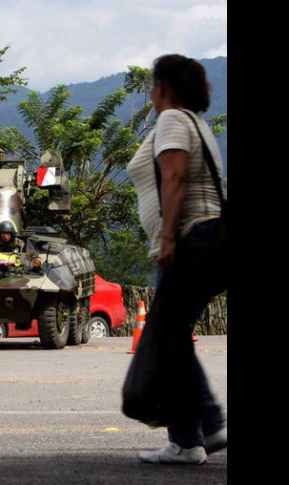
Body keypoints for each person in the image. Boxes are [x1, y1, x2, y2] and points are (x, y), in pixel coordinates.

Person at [125, 54, 226, 465]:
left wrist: (167, 236)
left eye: (152, 84)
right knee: (172, 337)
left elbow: (175, 176)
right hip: (201, 238)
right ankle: (187, 439)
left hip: (188, 239)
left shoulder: (171, 119)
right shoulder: (195, 122)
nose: (150, 92)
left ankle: (209, 421)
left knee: (169, 335)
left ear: (163, 87)